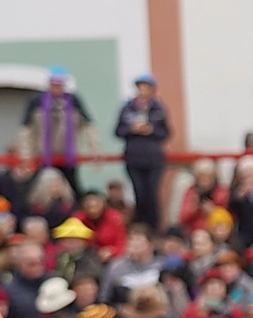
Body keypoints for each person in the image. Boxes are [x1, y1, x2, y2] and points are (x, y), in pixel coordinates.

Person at [19, 68, 98, 196]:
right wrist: (26, 154)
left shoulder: (73, 100)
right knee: (38, 189)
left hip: (68, 155)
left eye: (59, 84)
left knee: (73, 188)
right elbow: (26, 130)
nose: (56, 87)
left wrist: (94, 149)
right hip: (42, 155)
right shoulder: (36, 101)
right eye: (54, 83)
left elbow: (88, 126)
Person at [113, 73, 171, 229]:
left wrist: (151, 130)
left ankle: (154, 227)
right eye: (140, 88)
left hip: (153, 159)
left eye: (146, 88)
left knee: (151, 195)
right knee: (139, 194)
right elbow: (117, 131)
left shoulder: (159, 109)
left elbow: (166, 133)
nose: (142, 91)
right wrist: (132, 129)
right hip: (134, 158)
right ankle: (140, 226)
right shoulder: (127, 108)